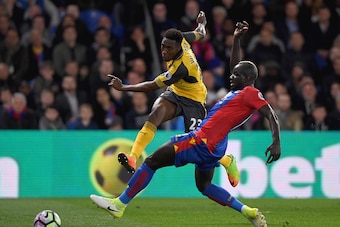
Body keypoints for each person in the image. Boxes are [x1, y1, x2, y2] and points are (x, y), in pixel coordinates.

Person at [90, 21, 281, 227]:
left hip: (201, 140)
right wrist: (235, 39)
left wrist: (276, 142)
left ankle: (119, 204)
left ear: (246, 78)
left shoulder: (251, 93)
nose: (230, 76)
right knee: (205, 186)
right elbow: (233, 63)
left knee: (153, 161)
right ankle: (248, 211)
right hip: (216, 145)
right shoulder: (239, 92)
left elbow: (271, 115)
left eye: (235, 75)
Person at [107, 11, 238, 186]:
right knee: (155, 115)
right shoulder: (181, 38)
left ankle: (227, 161)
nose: (164, 51)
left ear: (178, 47)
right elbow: (201, 33)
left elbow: (152, 85)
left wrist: (123, 87)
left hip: (195, 100)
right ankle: (133, 157)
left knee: (198, 145)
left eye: (169, 48)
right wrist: (202, 22)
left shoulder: (180, 68)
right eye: (163, 46)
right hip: (176, 92)